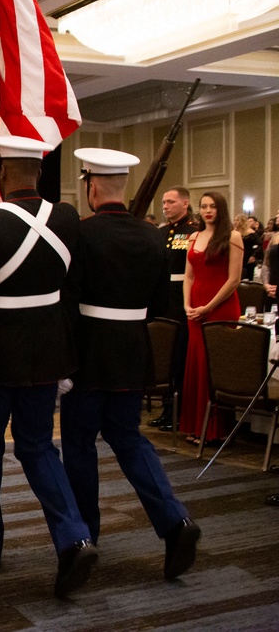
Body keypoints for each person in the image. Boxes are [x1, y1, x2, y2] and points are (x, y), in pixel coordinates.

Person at [60, 147, 201, 581]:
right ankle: (175, 521)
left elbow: (68, 301)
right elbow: (161, 304)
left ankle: (84, 537)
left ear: (91, 185)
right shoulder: (153, 236)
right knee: (129, 440)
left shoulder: (82, 234)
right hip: (132, 352)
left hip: (89, 354)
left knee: (80, 446)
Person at [0, 135, 96, 598]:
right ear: (39, 170)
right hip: (47, 354)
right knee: (39, 447)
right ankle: (74, 535)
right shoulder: (65, 219)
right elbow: (72, 288)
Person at [179, 192, 243, 444]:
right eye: (204, 206)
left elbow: (234, 279)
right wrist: (187, 304)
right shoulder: (193, 236)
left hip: (220, 306)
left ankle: (214, 430)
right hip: (194, 308)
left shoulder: (232, 236)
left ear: (221, 209)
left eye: (212, 207)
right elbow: (189, 276)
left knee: (211, 366)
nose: (207, 211)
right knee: (195, 364)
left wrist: (208, 306)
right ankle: (196, 426)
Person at [148, 187, 198, 432]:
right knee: (164, 356)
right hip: (162, 299)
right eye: (164, 202)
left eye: (170, 202)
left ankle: (178, 411)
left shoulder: (194, 232)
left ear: (185, 203)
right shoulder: (162, 232)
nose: (165, 206)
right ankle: (167, 408)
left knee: (179, 356)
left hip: (181, 301)